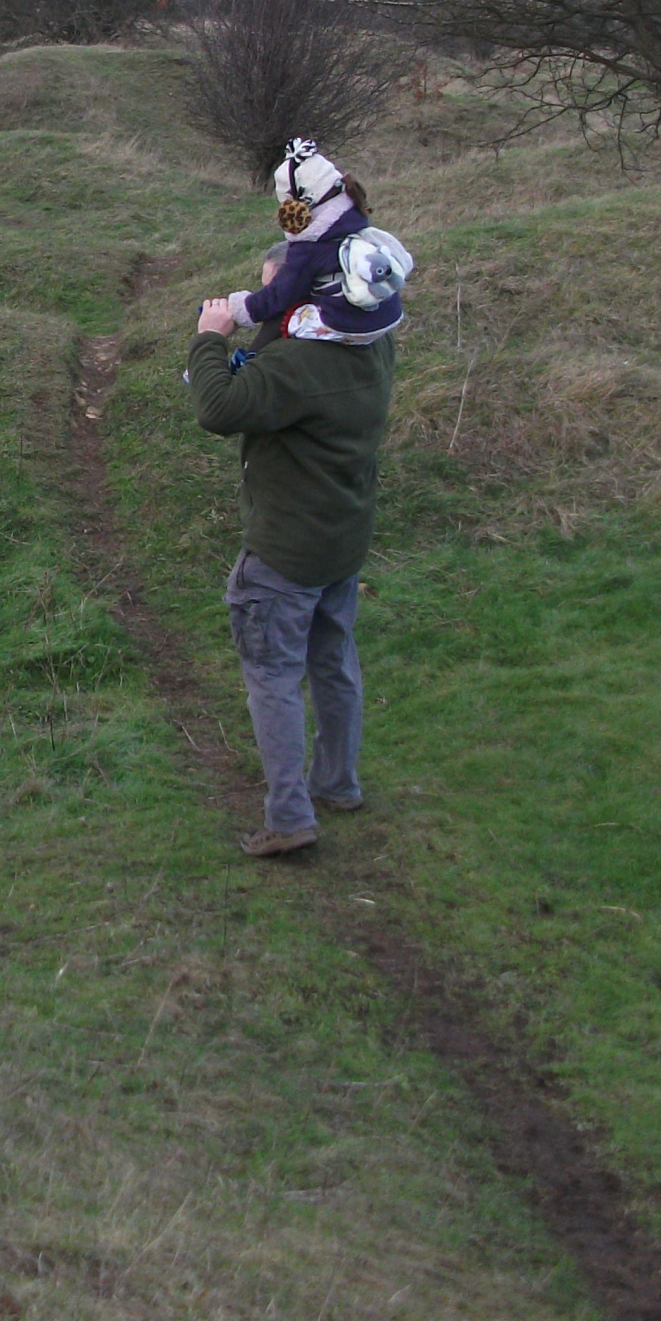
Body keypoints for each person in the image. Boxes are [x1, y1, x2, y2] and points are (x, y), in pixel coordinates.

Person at [186, 226, 409, 858]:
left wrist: (210, 338)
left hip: (284, 551)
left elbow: (219, 409)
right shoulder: (370, 343)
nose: (265, 302)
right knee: (333, 660)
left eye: (274, 291)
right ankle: (337, 783)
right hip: (341, 536)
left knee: (272, 678)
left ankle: (288, 816)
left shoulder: (298, 365)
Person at [224, 139, 412, 345]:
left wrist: (244, 308)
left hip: (350, 326)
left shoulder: (309, 248)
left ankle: (252, 359)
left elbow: (281, 293)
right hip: (389, 315)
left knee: (289, 317)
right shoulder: (357, 221)